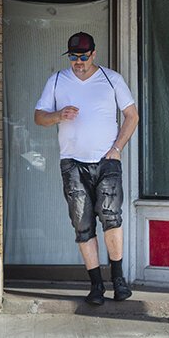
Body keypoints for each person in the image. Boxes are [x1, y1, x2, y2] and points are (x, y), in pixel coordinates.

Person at [34, 31, 140, 306]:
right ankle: (95, 285)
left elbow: (132, 115)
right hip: (72, 163)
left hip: (107, 161)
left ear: (94, 54)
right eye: (73, 57)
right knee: (82, 225)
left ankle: (118, 280)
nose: (78, 62)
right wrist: (58, 115)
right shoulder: (57, 80)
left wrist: (117, 148)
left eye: (83, 56)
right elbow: (39, 117)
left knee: (111, 217)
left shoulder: (110, 79)